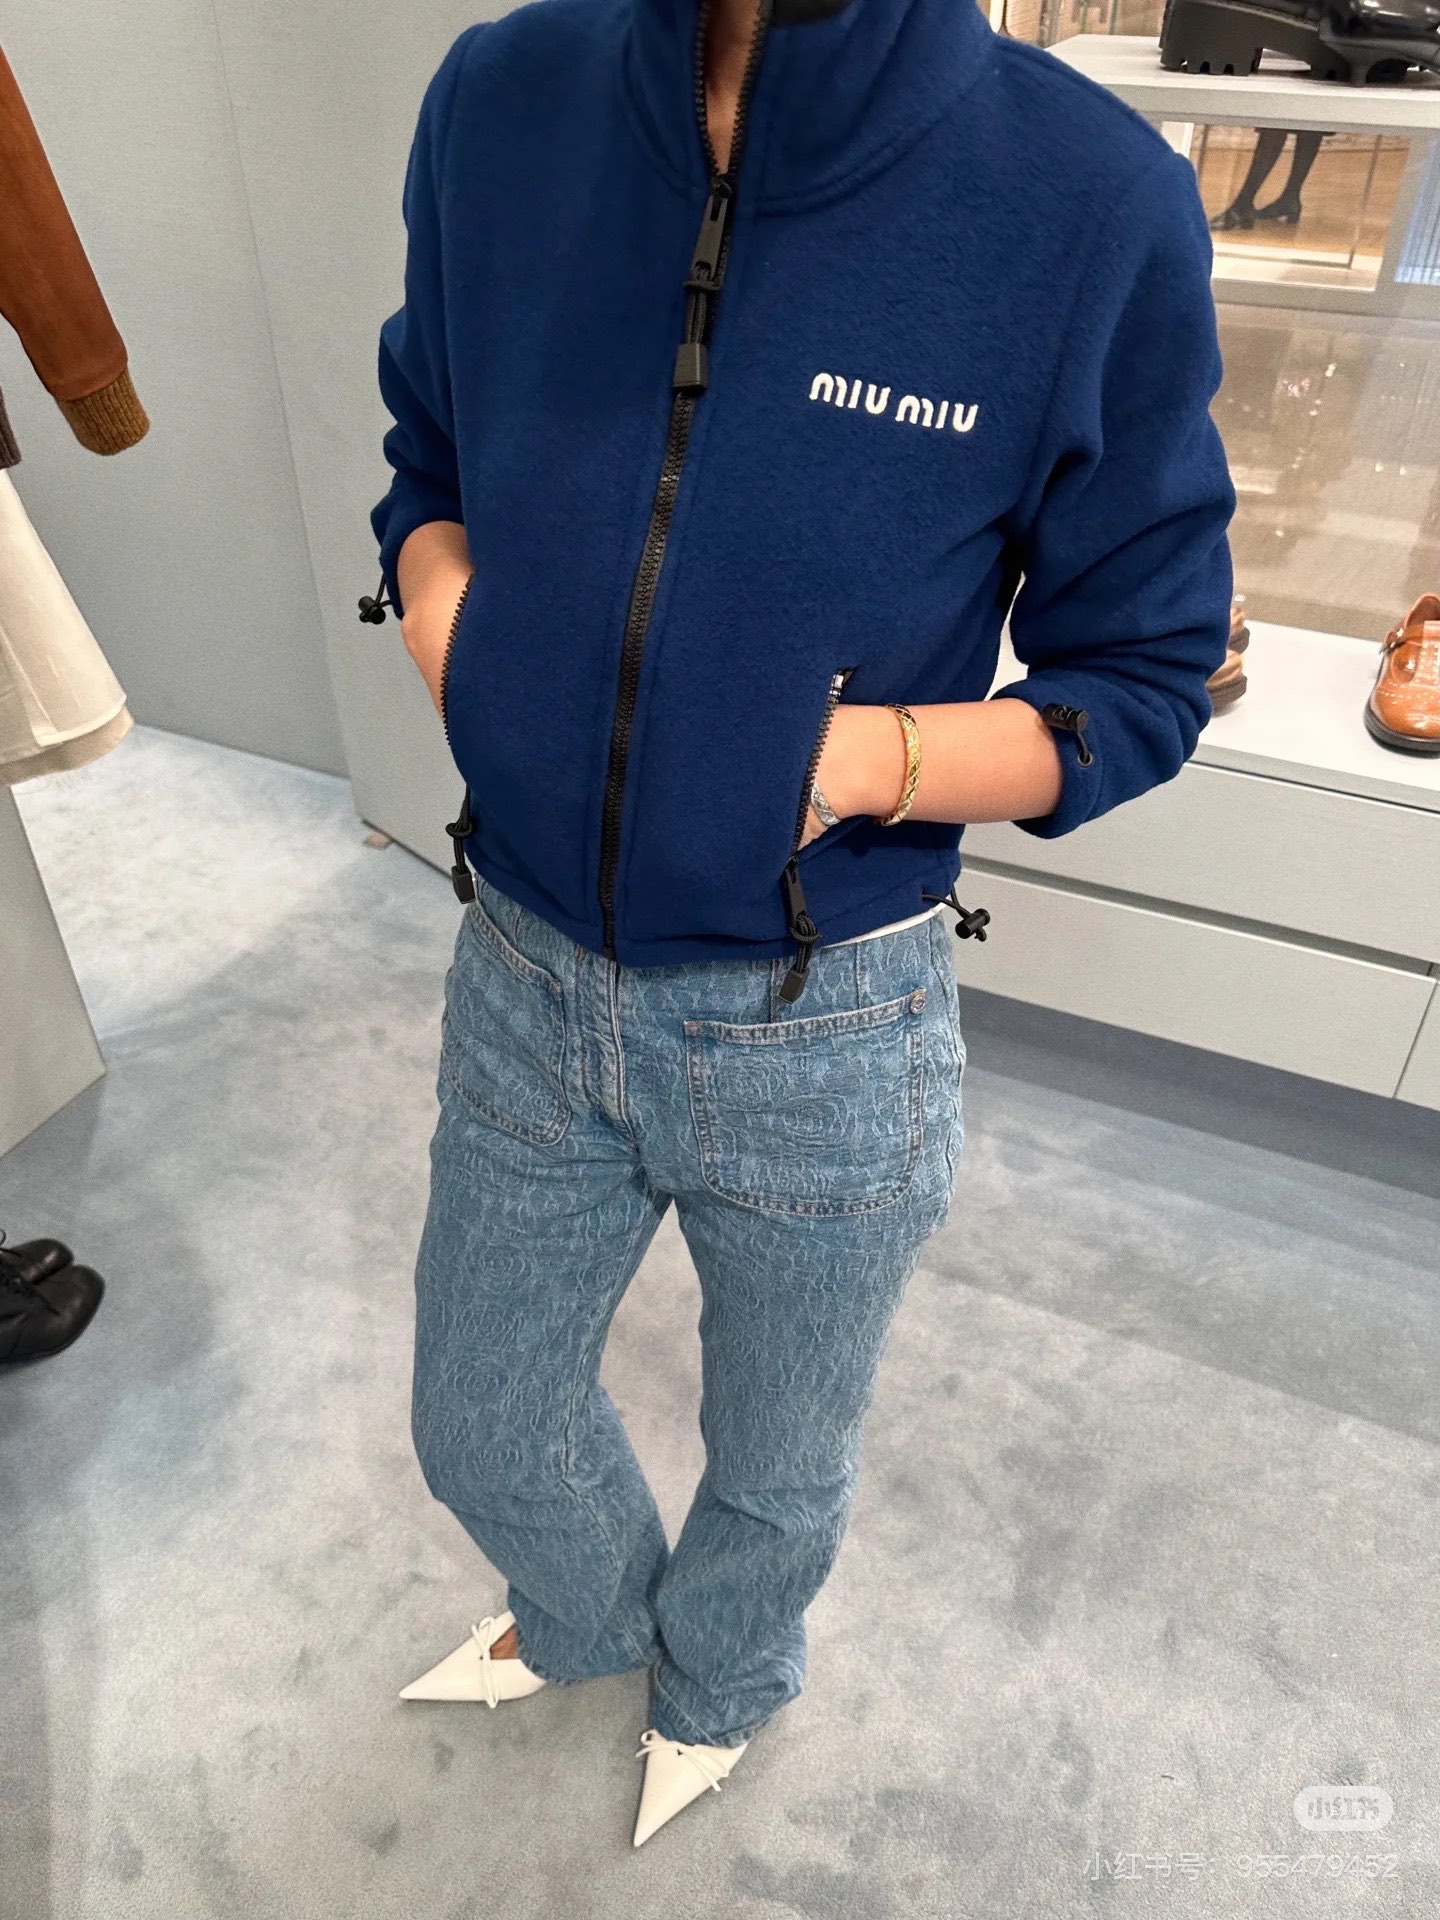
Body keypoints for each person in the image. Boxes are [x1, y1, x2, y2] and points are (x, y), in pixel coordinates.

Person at [370, 0, 1235, 1847]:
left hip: (822, 1017)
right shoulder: (500, 96)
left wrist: (846, 762)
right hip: (522, 969)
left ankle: (727, 1680)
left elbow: (1143, 674)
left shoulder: (1085, 197)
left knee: (777, 1461)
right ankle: (592, 1619)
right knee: (479, 1419)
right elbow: (428, 460)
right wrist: (458, 636)